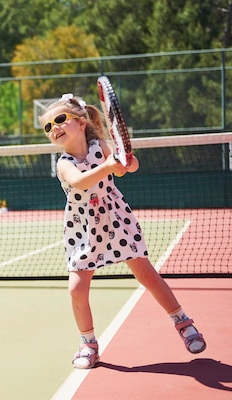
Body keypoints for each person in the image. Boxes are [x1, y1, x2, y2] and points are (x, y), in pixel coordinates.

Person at [39, 93, 206, 369]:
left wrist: (126, 162)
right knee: (77, 289)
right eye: (48, 127)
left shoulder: (102, 146)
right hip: (84, 228)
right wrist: (108, 166)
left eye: (60, 119)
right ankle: (88, 344)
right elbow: (80, 182)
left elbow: (131, 164)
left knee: (147, 274)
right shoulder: (63, 163)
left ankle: (183, 322)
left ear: (81, 123)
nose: (54, 128)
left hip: (116, 218)